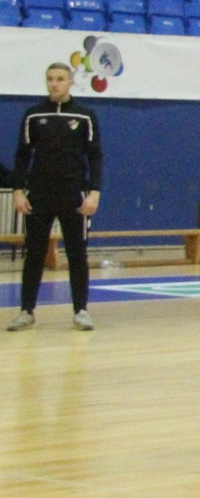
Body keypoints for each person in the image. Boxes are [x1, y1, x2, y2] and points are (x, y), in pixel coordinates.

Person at [8, 63, 101, 332]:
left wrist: (94, 192)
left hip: (74, 194)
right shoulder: (34, 115)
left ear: (70, 82)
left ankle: (81, 311)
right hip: (39, 194)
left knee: (77, 253)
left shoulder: (85, 116)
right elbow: (22, 155)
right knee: (34, 254)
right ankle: (26, 311)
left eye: (60, 79)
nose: (54, 83)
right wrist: (18, 191)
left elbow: (95, 155)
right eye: (50, 79)